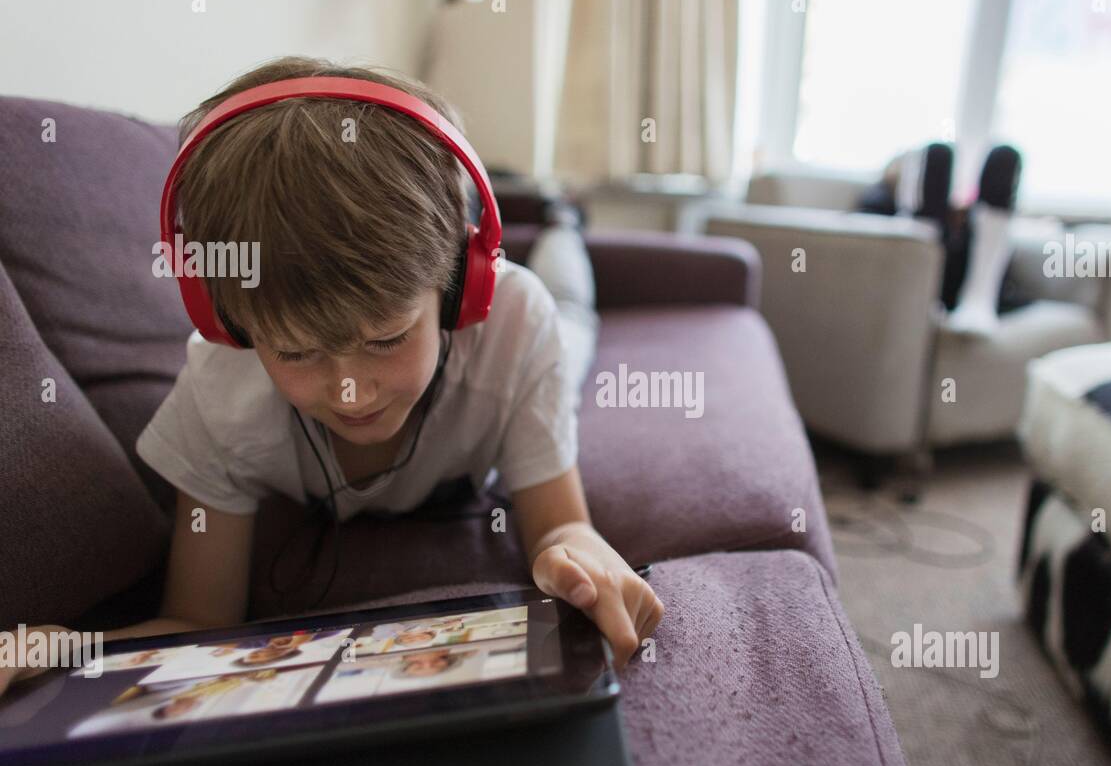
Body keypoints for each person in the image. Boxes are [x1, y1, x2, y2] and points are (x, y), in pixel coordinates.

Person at [0, 57, 661, 699]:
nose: (353, 390)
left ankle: (561, 224)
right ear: (229, 322)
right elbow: (200, 626)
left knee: (573, 319)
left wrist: (576, 553)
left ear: (461, 290)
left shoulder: (511, 325)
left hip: (539, 333)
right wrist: (75, 652)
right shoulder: (219, 396)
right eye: (295, 353)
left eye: (386, 339)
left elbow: (560, 528)